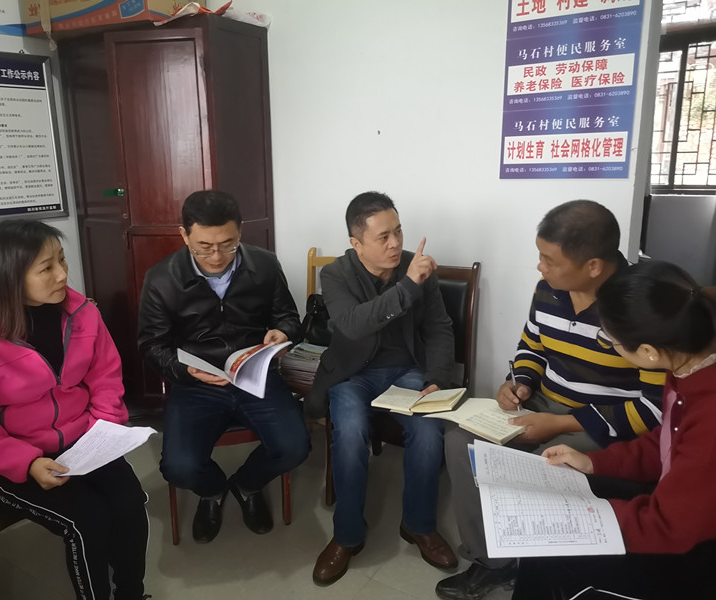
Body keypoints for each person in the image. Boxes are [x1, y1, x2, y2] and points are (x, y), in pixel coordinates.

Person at [437, 200, 665, 600]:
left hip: (603, 423)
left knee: (546, 460)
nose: (539, 267)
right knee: (462, 442)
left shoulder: (638, 305)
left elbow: (653, 408)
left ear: (593, 266)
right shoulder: (549, 290)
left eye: (549, 260)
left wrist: (560, 424)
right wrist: (520, 384)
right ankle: (492, 563)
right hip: (543, 404)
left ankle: (541, 569)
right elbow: (532, 345)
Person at [0, 219, 149, 600]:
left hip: (84, 443)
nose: (63, 275)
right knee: (87, 518)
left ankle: (132, 594)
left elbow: (105, 378)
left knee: (130, 502)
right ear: (11, 277)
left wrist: (104, 431)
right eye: (47, 268)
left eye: (62, 260)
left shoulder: (83, 313)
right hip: (13, 460)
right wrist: (29, 463)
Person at [512, 260, 716, 600]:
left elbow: (670, 526)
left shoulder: (709, 413)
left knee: (555, 543)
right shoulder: (685, 367)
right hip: (673, 508)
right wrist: (594, 462)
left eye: (611, 341)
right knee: (552, 518)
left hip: (693, 552)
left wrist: (579, 520)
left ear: (648, 352)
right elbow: (665, 443)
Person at [137, 190, 309, 543]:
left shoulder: (264, 264)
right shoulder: (162, 278)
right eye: (204, 247)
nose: (216, 256)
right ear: (184, 235)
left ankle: (247, 485)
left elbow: (289, 318)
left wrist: (283, 333)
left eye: (228, 245)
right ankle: (213, 491)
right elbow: (151, 346)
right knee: (179, 468)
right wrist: (185, 371)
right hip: (196, 383)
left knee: (295, 447)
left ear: (240, 231)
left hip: (254, 377)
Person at [307, 191, 457, 586]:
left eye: (398, 232)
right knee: (350, 432)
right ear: (356, 243)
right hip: (352, 373)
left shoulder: (416, 268)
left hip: (406, 370)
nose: (395, 244)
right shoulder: (336, 274)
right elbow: (353, 325)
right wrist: (408, 285)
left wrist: (436, 379)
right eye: (383, 237)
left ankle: (419, 525)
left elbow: (438, 328)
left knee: (428, 430)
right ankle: (347, 535)